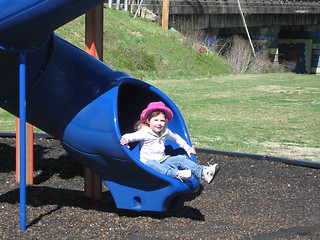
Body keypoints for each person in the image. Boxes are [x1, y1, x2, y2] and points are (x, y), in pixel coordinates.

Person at [120, 101, 219, 183]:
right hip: (147, 163)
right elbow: (131, 136)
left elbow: (176, 138)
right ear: (148, 121)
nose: (159, 123)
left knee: (181, 159)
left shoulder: (165, 131)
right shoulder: (144, 132)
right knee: (154, 165)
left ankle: (203, 172)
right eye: (155, 120)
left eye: (162, 121)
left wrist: (187, 147)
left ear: (166, 121)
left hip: (163, 159)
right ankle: (178, 174)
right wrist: (125, 141)